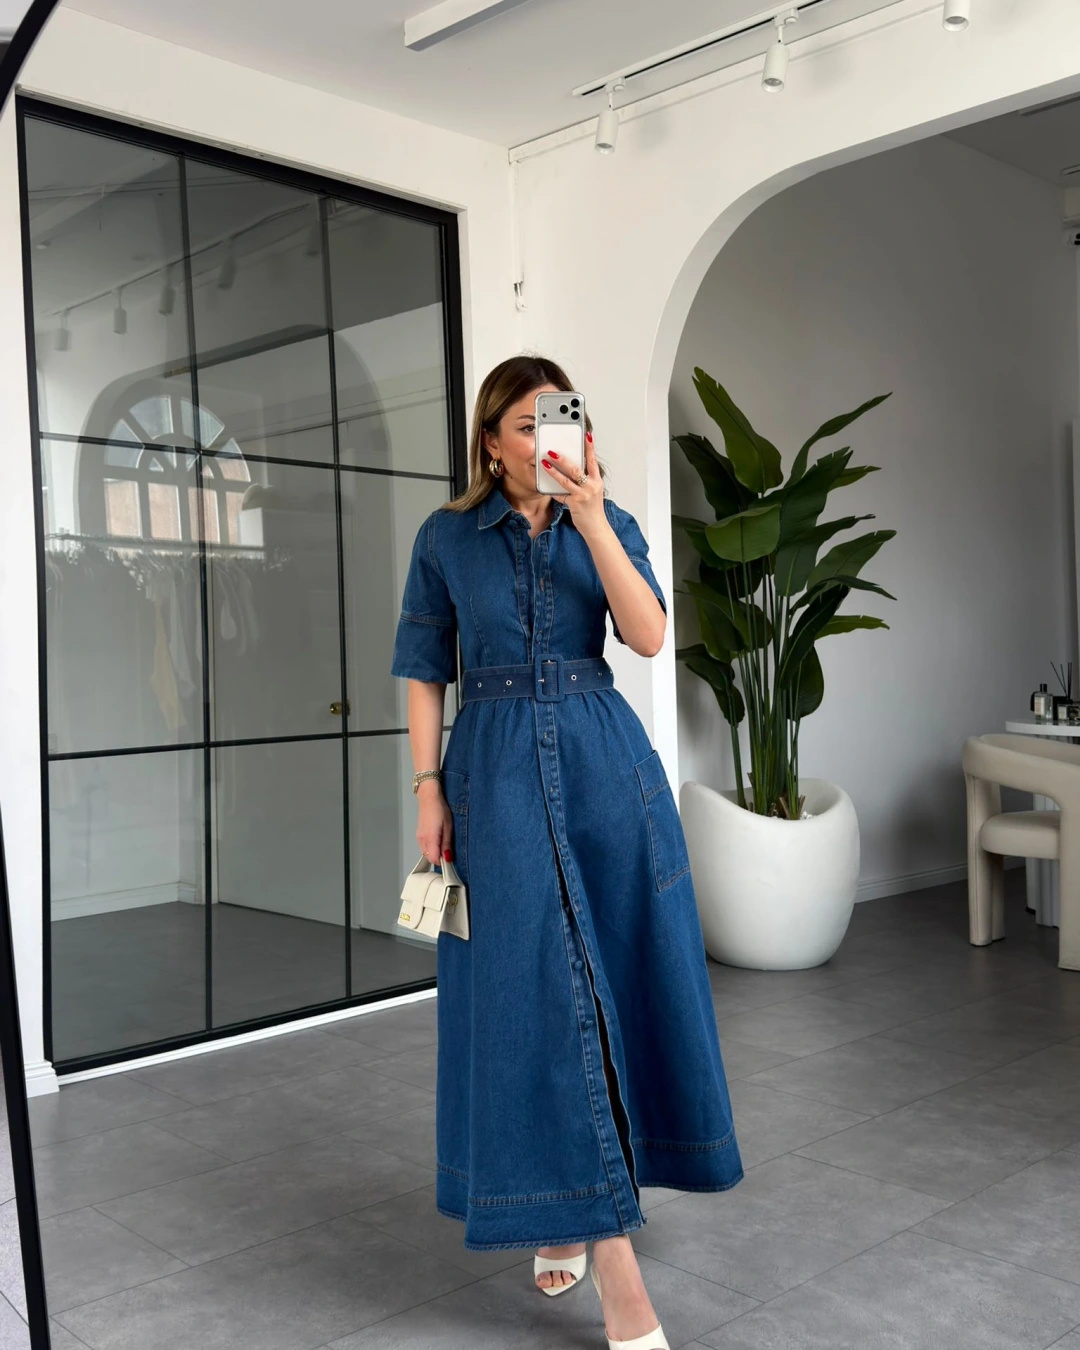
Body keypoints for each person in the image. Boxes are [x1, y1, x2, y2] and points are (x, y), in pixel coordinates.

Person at [390, 355, 742, 1350]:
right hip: (494, 777)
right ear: (491, 443)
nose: (548, 438)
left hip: (602, 770)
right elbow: (422, 669)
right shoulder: (446, 538)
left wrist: (591, 519)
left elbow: (648, 637)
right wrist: (426, 788)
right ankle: (614, 1266)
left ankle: (569, 1210)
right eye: (526, 424)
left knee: (606, 986)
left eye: (562, 418)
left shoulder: (608, 520)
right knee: (531, 1001)